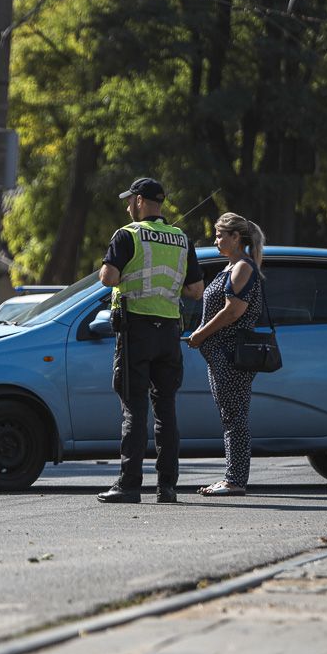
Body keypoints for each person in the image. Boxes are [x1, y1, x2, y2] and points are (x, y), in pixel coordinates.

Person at [97, 177, 204, 504]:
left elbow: (108, 278)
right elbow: (195, 291)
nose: (128, 205)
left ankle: (129, 485)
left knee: (134, 409)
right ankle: (167, 487)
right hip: (169, 332)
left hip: (136, 333)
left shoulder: (127, 235)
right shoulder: (181, 239)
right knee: (166, 410)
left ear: (140, 201)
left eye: (130, 200)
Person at [187, 213, 267, 496]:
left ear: (236, 237)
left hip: (231, 354)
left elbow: (234, 311)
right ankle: (233, 477)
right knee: (231, 415)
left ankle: (234, 480)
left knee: (235, 417)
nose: (216, 240)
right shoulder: (232, 266)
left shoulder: (242, 267)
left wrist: (201, 334)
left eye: (221, 235)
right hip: (220, 354)